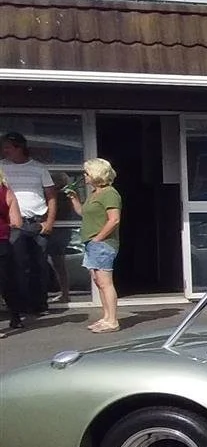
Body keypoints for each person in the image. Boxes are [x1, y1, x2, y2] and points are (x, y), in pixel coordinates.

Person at [0, 131, 58, 314]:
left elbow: (51, 196)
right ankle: (20, 306)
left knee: (39, 265)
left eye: (8, 147)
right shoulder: (2, 167)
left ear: (19, 147)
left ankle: (39, 304)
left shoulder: (39, 168)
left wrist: (49, 222)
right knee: (17, 266)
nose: (4, 150)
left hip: (37, 222)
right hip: (14, 225)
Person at [63, 159, 121, 333]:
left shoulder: (110, 193)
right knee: (98, 281)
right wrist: (74, 198)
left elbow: (114, 220)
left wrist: (98, 238)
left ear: (96, 174)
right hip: (91, 243)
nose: (85, 176)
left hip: (103, 244)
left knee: (105, 282)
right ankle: (106, 317)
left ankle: (113, 321)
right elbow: (83, 212)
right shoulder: (95, 193)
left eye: (87, 173)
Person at [0, 170, 24, 330]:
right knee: (7, 282)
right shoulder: (6, 192)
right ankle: (15, 317)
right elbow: (17, 222)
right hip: (2, 241)